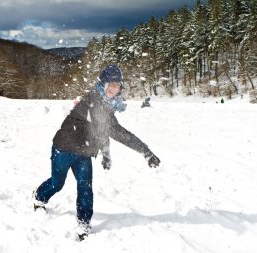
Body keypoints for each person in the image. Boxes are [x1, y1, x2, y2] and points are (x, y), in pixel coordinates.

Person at [33, 64, 161, 240]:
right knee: (57, 183)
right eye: (111, 85)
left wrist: (108, 153)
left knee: (85, 188)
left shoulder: (105, 105)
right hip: (63, 148)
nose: (114, 89)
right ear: (102, 84)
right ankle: (39, 197)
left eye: (117, 86)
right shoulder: (94, 101)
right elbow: (113, 132)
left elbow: (102, 130)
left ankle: (83, 224)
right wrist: (144, 152)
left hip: (84, 152)